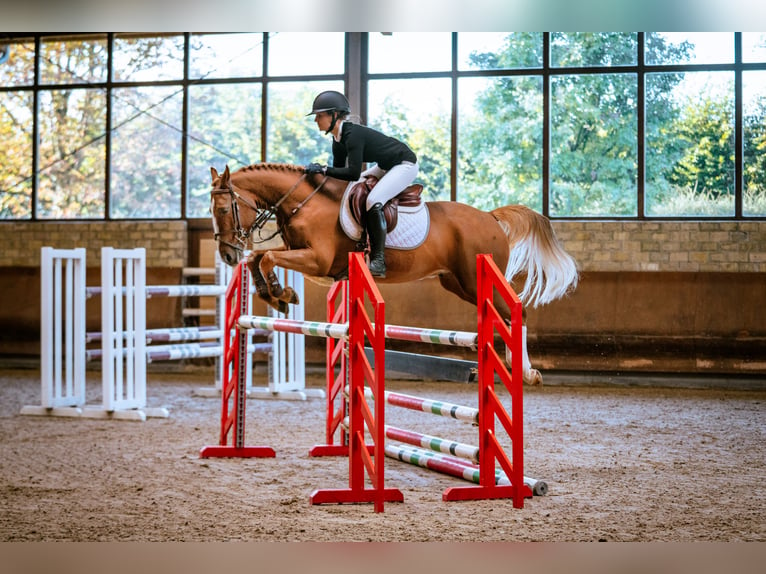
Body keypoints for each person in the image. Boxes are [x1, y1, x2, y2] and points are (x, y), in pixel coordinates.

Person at [304, 90, 418, 278]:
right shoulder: (337, 140)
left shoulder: (353, 135)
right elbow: (340, 179)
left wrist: (323, 169)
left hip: (404, 164)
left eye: (319, 115)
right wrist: (317, 179)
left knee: (373, 199)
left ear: (334, 115)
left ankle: (378, 261)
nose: (316, 120)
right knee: (351, 191)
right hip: (384, 166)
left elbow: (353, 173)